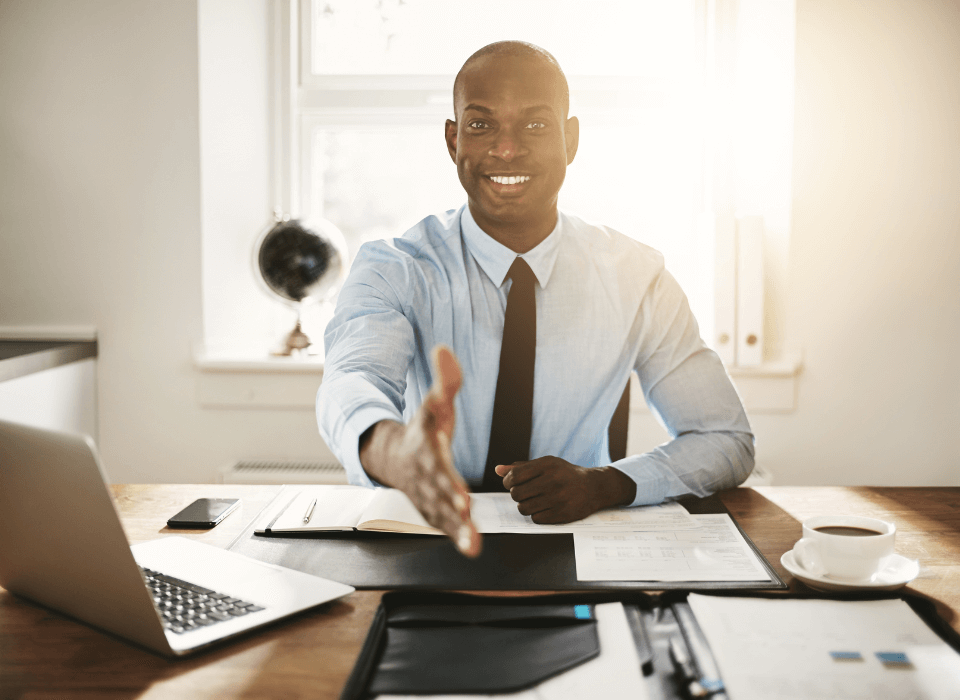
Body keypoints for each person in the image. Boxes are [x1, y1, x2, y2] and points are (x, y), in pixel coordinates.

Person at [317, 41, 754, 558]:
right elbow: (351, 379)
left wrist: (605, 484)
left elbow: (725, 439)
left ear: (571, 139)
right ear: (453, 139)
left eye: (536, 125)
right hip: (423, 544)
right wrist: (395, 451)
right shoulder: (395, 268)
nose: (506, 149)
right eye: (480, 126)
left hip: (579, 548)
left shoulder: (638, 277)